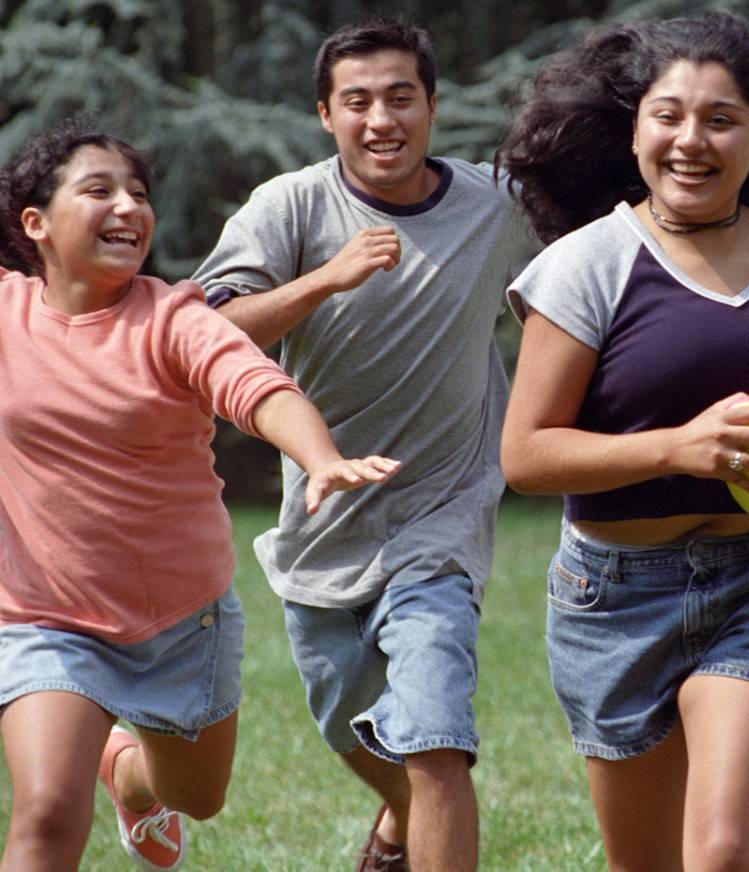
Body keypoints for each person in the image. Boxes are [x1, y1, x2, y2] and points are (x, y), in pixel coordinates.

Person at [495, 11, 749, 870]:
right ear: (634, 133)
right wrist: (676, 449)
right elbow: (526, 455)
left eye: (721, 119)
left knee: (727, 851)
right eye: (668, 116)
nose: (690, 141)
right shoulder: (587, 266)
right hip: (616, 597)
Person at [0, 120, 398, 872]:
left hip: (181, 621)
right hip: (44, 618)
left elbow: (259, 389)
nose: (129, 208)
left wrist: (319, 457)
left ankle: (130, 779)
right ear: (36, 224)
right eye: (100, 191)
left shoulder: (172, 318)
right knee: (48, 810)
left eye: (138, 193)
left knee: (197, 796)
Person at [192, 16, 534, 872]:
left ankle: (418, 815)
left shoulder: (496, 210)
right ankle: (396, 826)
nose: (381, 119)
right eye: (358, 102)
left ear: (432, 106)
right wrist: (324, 278)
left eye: (400, 98)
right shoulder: (292, 206)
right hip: (324, 520)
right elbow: (207, 332)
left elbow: (584, 288)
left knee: (436, 740)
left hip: (443, 519)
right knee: (345, 722)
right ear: (325, 114)